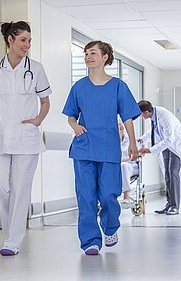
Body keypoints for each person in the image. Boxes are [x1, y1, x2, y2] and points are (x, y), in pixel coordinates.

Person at [0, 21, 52, 256]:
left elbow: (45, 101)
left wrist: (38, 121)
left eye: (29, 40)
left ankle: (12, 241)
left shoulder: (36, 68)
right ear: (10, 40)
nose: (27, 45)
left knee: (21, 188)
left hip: (26, 136)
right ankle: (11, 229)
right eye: (23, 40)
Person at [62, 40, 140, 255]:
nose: (88, 57)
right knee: (86, 196)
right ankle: (90, 241)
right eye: (86, 53)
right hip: (84, 147)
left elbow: (128, 117)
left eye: (93, 53)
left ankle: (110, 227)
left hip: (108, 148)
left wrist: (132, 143)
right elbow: (70, 114)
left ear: (105, 57)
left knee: (108, 195)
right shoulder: (79, 87)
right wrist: (75, 125)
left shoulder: (118, 86)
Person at [137, 100, 181, 216]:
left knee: (173, 173)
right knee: (167, 174)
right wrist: (142, 139)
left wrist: (150, 150)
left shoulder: (164, 116)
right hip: (165, 146)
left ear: (146, 112)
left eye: (141, 114)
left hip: (175, 146)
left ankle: (175, 206)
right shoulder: (154, 116)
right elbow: (154, 131)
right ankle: (169, 204)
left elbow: (169, 139)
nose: (140, 116)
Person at [119, 118, 138, 208]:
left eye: (121, 125)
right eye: (119, 126)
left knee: (123, 165)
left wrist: (123, 159)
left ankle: (126, 195)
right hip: (116, 167)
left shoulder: (130, 140)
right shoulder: (112, 141)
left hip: (130, 165)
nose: (121, 127)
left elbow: (134, 155)